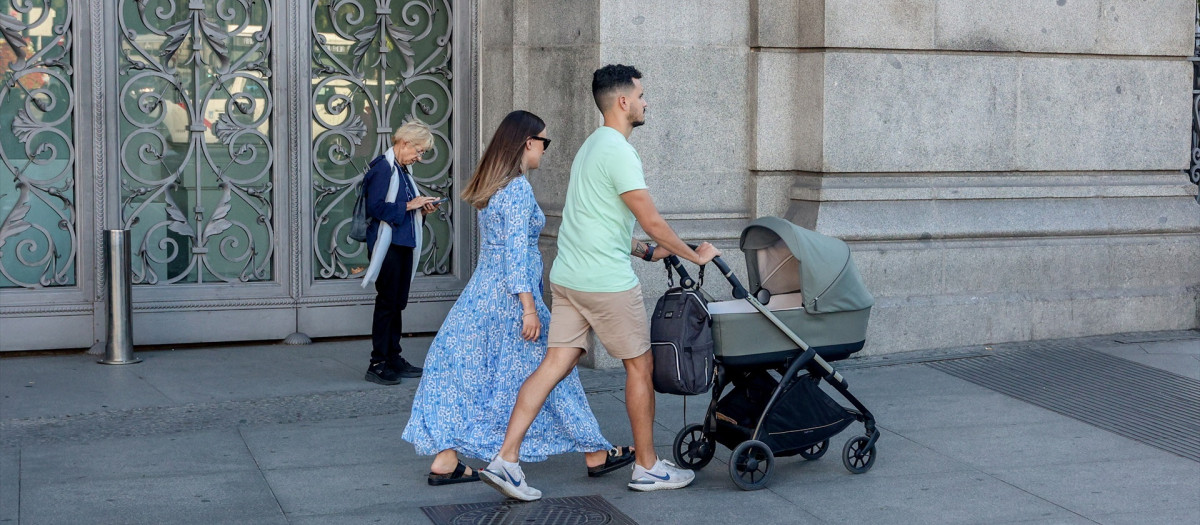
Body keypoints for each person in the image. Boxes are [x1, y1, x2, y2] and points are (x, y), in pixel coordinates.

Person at [480, 65, 721, 501]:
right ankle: (647, 467)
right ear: (623, 102)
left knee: (554, 365)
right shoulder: (620, 152)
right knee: (640, 367)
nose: (646, 102)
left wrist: (643, 250)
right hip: (606, 283)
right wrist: (693, 253)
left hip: (570, 278)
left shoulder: (591, 147)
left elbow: (593, 219)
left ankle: (506, 459)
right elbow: (651, 219)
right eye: (642, 95)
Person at [401, 110, 634, 486]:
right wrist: (528, 307)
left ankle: (446, 459)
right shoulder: (517, 189)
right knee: (555, 374)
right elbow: (512, 253)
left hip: (483, 293)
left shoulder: (497, 186)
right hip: (510, 298)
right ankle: (594, 452)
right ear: (528, 142)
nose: (545, 149)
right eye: (545, 141)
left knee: (459, 371)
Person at [360, 120, 441, 385]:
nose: (419, 157)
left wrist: (421, 209)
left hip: (403, 243)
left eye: (422, 153)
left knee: (397, 303)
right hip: (388, 246)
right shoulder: (383, 168)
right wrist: (410, 204)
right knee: (387, 304)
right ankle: (378, 363)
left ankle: (393, 357)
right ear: (404, 142)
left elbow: (402, 208)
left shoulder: (401, 169)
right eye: (419, 150)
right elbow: (376, 208)